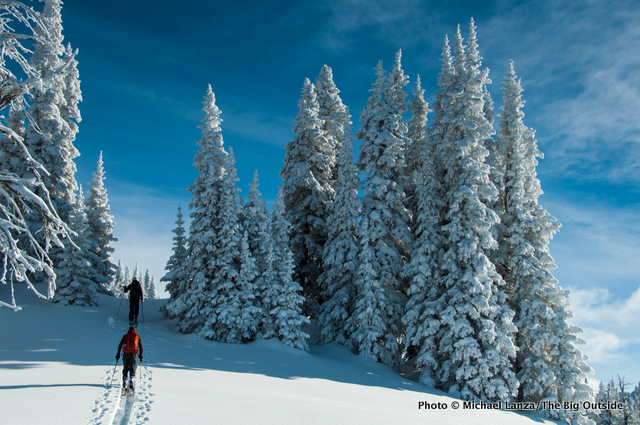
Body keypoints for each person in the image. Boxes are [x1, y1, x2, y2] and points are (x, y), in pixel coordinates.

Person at [116, 326, 143, 390]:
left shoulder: (126, 336)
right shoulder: (137, 336)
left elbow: (120, 345)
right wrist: (140, 355)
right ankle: (131, 380)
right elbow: (141, 347)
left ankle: (124, 380)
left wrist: (118, 354)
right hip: (133, 354)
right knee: (132, 367)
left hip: (126, 353)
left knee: (125, 367)